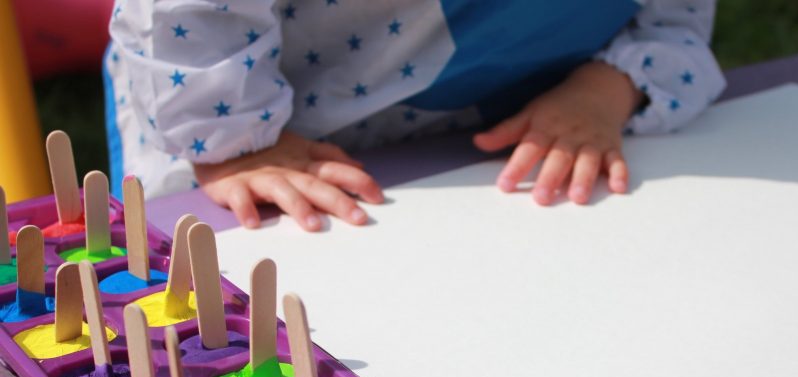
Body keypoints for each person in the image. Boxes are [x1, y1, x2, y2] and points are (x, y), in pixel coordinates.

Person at [106, 0, 725, 230]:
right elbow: (182, 15)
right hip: (239, 129)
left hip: (476, 161)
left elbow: (675, 19)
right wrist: (235, 141)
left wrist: (607, 86)